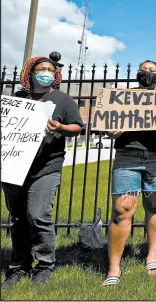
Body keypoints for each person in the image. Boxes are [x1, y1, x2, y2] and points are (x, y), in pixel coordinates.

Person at [2, 57, 83, 287]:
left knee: (38, 216)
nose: (46, 72)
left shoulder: (62, 99)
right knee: (19, 219)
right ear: (31, 73)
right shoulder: (15, 99)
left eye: (50, 69)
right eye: (41, 69)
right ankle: (19, 266)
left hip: (47, 167)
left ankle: (46, 264)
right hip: (14, 168)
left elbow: (77, 127)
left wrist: (60, 127)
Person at [102, 60, 156, 287]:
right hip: (128, 156)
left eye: (151, 71)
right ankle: (113, 268)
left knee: (155, 206)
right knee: (122, 211)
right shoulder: (123, 98)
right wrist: (111, 131)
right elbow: (106, 125)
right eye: (143, 70)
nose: (146, 74)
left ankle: (152, 256)